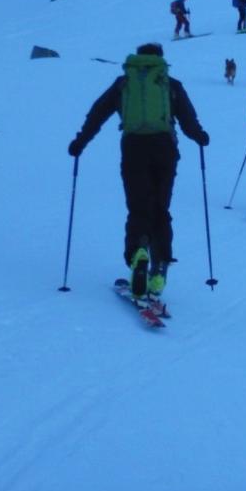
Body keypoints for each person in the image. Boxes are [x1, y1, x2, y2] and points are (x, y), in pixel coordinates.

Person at [67, 43, 210, 300]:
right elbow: (188, 120)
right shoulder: (170, 83)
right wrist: (199, 136)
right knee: (160, 208)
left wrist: (80, 141)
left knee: (138, 206)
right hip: (165, 149)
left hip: (133, 148)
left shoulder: (124, 83)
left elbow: (98, 113)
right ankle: (160, 266)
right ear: (160, 58)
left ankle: (138, 253)